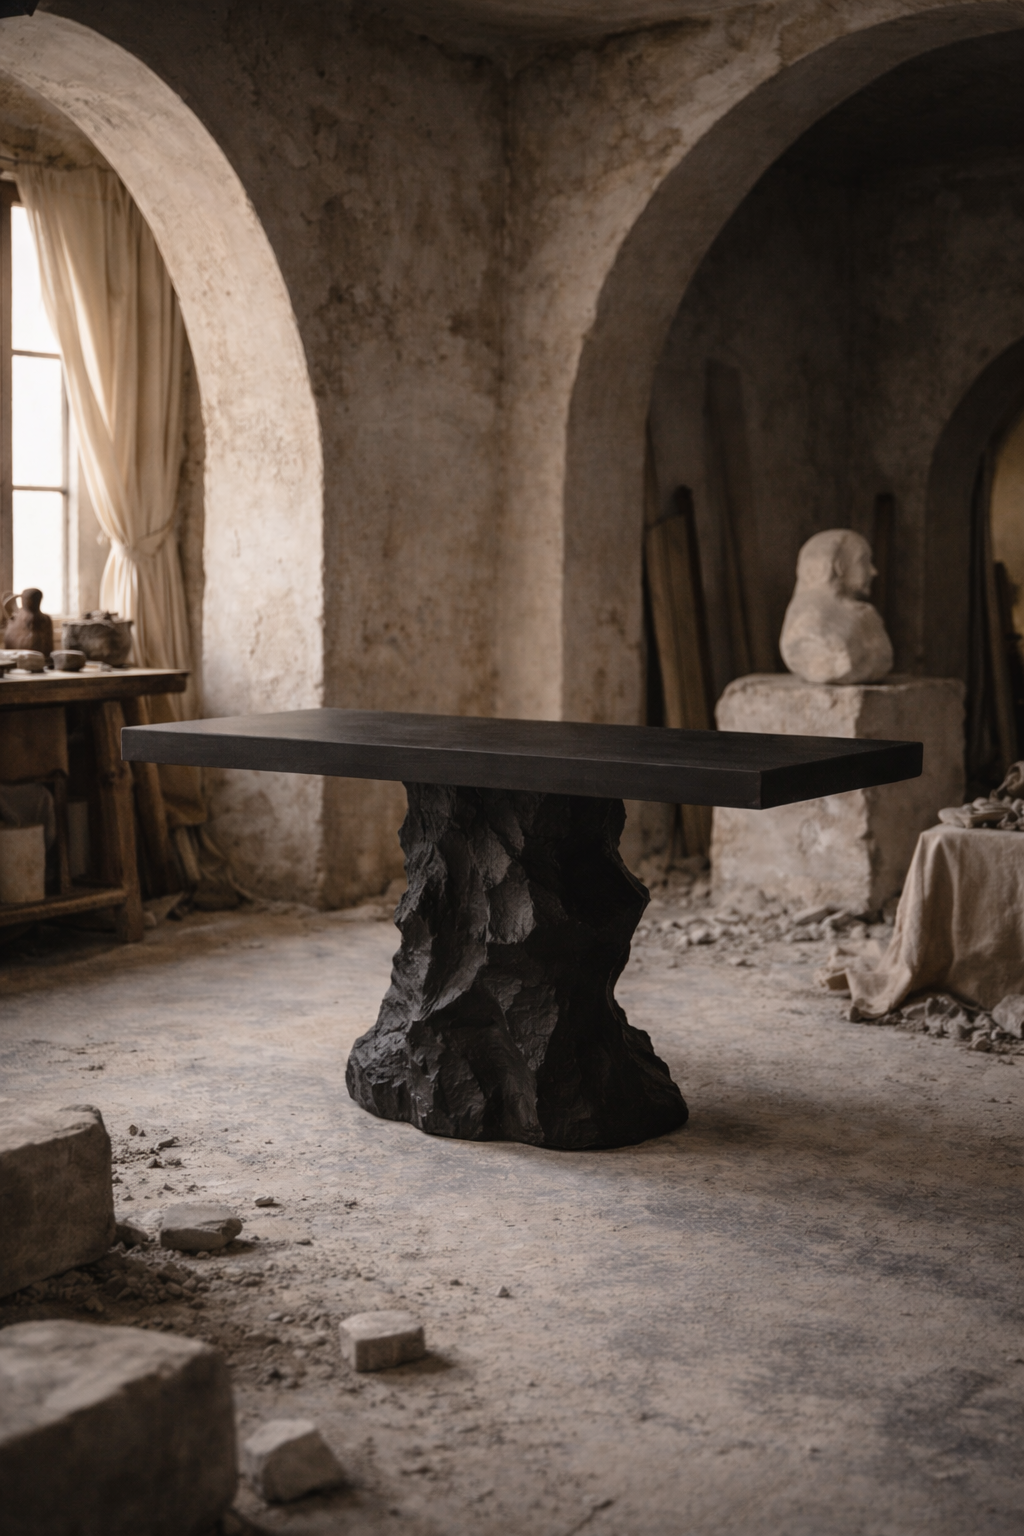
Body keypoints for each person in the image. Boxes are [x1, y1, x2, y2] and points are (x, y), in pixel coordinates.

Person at [779, 528, 893, 685]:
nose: (873, 571)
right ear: (839, 567)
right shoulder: (809, 619)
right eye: (863, 561)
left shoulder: (864, 613)